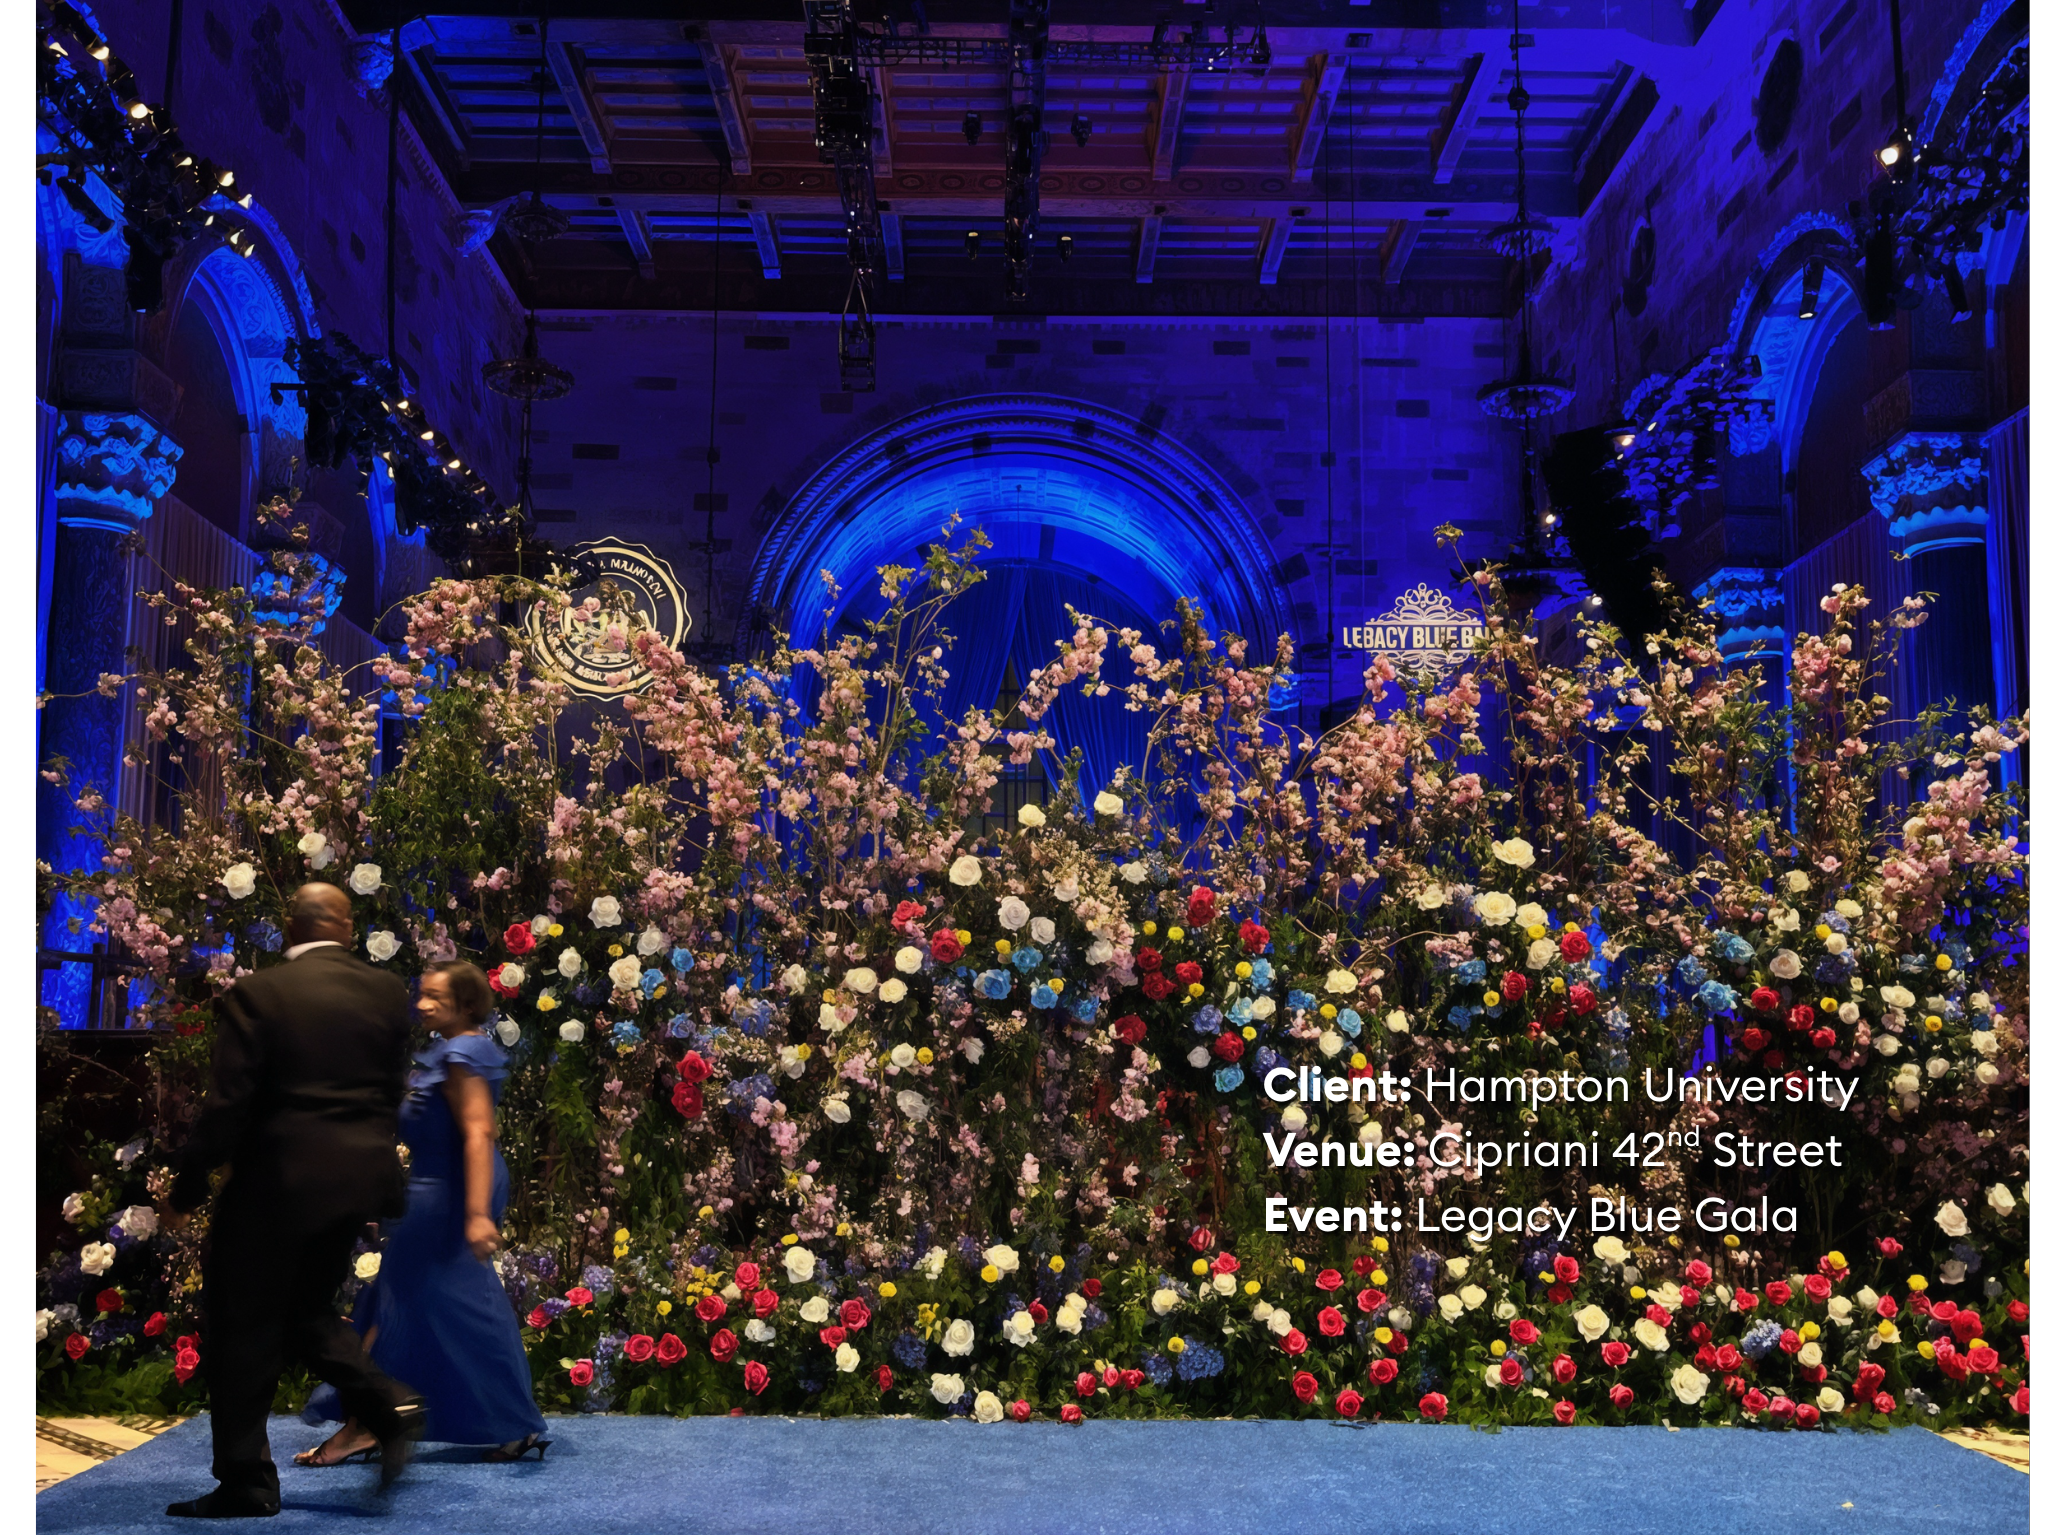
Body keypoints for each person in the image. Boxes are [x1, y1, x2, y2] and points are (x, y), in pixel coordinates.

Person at [163, 882, 423, 1518]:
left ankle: (247, 1480)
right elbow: (393, 1093)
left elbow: (228, 1106)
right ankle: (389, 1404)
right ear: (348, 925)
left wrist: (189, 1185)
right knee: (304, 1309)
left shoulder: (259, 994)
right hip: (355, 1183)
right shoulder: (387, 993)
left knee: (242, 1325)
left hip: (273, 1186)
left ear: (289, 925)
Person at [297, 961, 548, 1465]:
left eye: (436, 997)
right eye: (422, 994)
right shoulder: (450, 1049)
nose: (422, 1003)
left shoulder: (463, 1050)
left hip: (454, 1190)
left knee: (414, 1297)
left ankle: (368, 1423)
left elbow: (479, 1131)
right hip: (439, 1185)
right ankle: (499, 1421)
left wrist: (477, 1213)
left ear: (468, 1004)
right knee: (438, 1299)